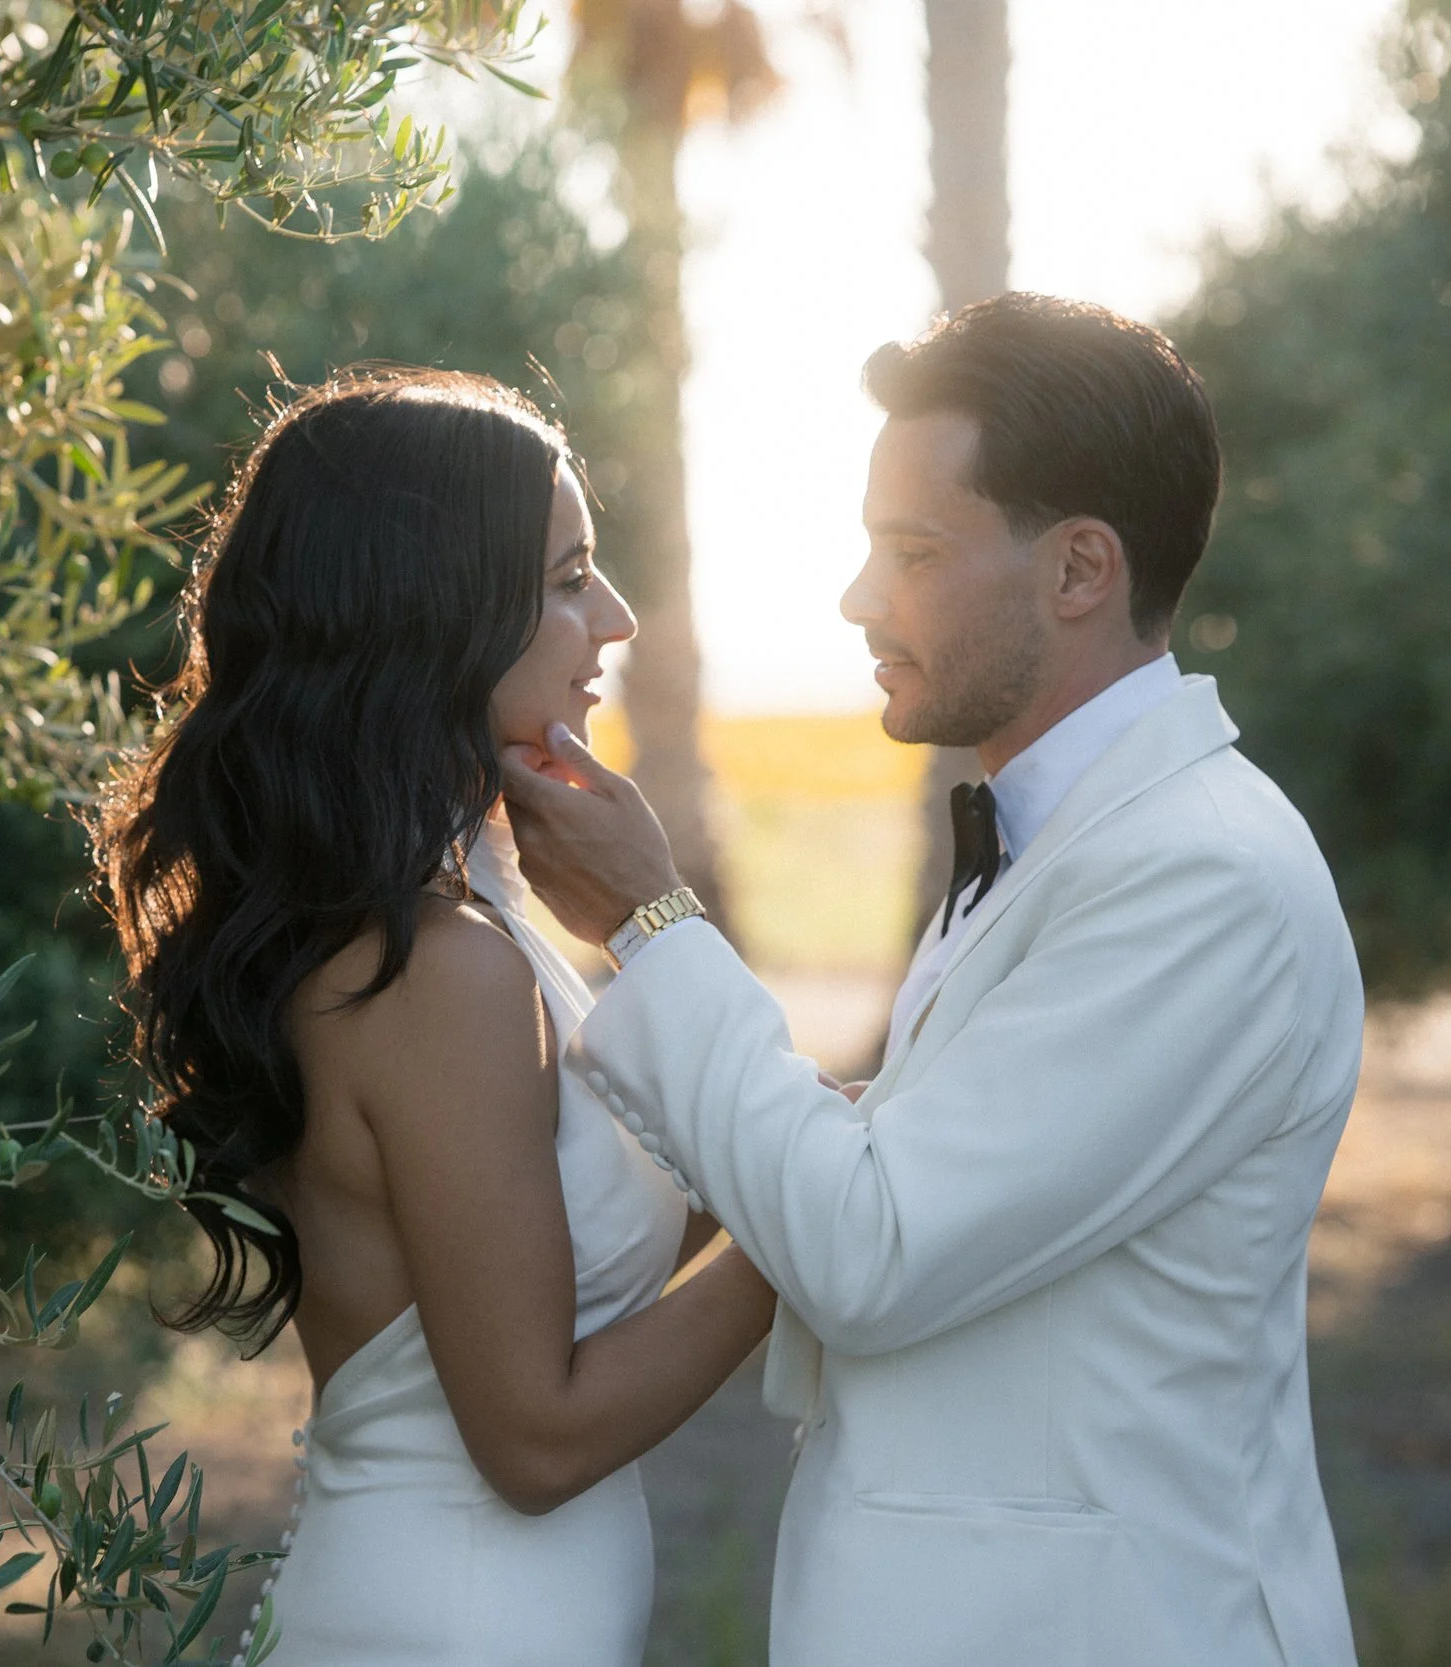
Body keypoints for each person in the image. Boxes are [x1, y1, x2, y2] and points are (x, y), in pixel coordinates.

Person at [499, 294, 1366, 1667]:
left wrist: (654, 919)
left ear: (1081, 568)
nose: (857, 597)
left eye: (910, 550)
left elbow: (869, 1250)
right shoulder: (1062, 843)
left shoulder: (1205, 878)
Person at [94, 369, 776, 1667]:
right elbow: (535, 1436)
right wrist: (810, 1229)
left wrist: (660, 933)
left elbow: (598, 1218)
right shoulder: (434, 969)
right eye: (571, 579)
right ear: (432, 619)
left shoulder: (469, 918)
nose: (616, 619)